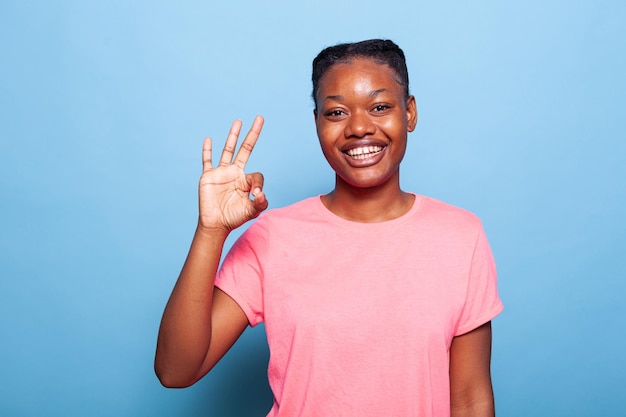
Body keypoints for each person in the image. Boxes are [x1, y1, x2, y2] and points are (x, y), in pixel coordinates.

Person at [155, 39, 503, 417]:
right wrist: (211, 231)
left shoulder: (460, 237)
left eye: (380, 107)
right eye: (336, 112)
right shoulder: (273, 238)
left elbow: (470, 398)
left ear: (410, 113)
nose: (357, 127)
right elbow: (176, 371)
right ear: (317, 122)